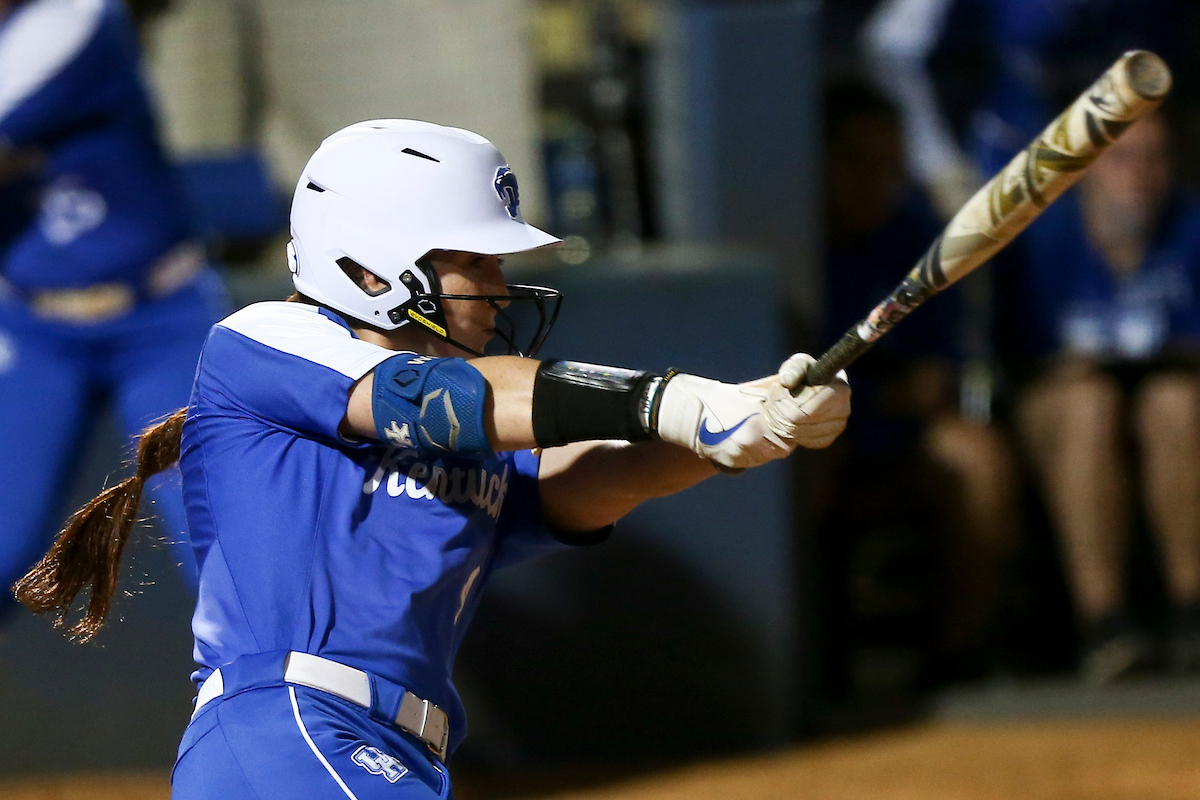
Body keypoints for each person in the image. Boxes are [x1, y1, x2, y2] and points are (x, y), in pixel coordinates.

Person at [14, 119, 851, 798]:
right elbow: (438, 401)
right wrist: (671, 400)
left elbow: (581, 484)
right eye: (473, 258)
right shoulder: (268, 340)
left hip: (378, 753)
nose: (497, 282)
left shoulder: (473, 425)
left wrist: (737, 434)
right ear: (373, 265)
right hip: (291, 731)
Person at [0, 0, 226, 614]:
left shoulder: (74, 20)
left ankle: (287, 703)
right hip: (30, 324)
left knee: (223, 547)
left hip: (160, 317)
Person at [821, 78, 1018, 688]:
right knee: (802, 461)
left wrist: (895, 394)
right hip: (804, 436)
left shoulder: (917, 233)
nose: (875, 182)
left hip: (892, 430)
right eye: (856, 163)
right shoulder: (794, 235)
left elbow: (935, 377)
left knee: (978, 456)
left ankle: (957, 654)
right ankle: (820, 659)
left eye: (890, 166)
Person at [1000, 111, 1200, 684]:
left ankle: (1189, 615)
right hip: (1067, 410)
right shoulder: (1040, 238)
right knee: (1091, 405)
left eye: (1155, 157)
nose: (1140, 174)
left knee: (1173, 403)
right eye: (1121, 158)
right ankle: (1105, 625)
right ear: (1086, 169)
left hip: (1167, 406)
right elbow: (1019, 363)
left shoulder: (1189, 228)